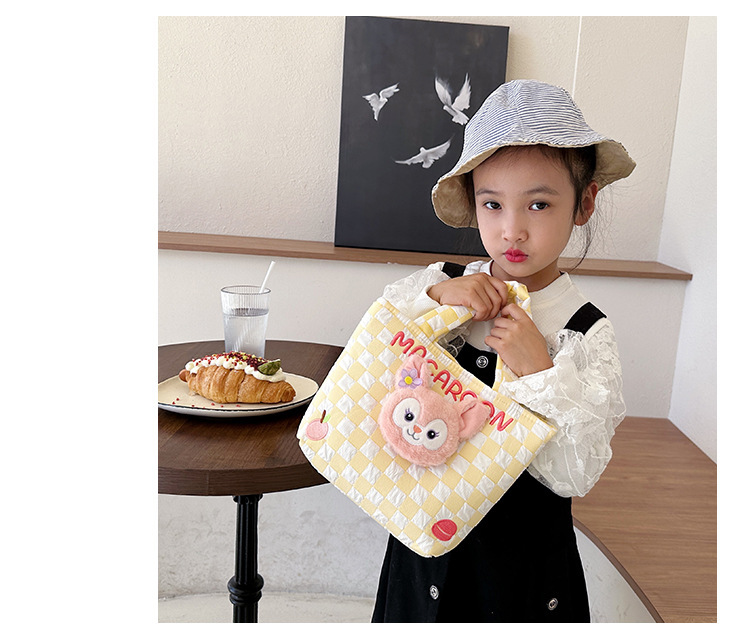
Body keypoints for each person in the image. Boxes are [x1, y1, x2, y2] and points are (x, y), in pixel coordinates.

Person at [371, 79, 636, 623]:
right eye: (493, 204)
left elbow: (575, 474)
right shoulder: (440, 284)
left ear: (584, 203)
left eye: (538, 204)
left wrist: (539, 370)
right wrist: (436, 299)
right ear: (473, 204)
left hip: (525, 573)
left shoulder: (583, 331)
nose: (512, 230)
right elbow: (374, 359)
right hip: (424, 551)